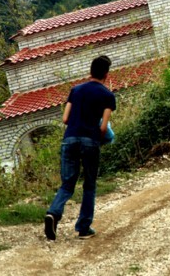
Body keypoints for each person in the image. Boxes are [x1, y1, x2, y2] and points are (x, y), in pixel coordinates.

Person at [44, 55, 116, 241]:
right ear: (106, 75)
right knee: (89, 185)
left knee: (67, 184)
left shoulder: (75, 90)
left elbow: (65, 119)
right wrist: (97, 139)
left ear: (90, 71)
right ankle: (83, 228)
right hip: (90, 141)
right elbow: (103, 128)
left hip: (69, 140)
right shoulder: (108, 96)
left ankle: (53, 213)